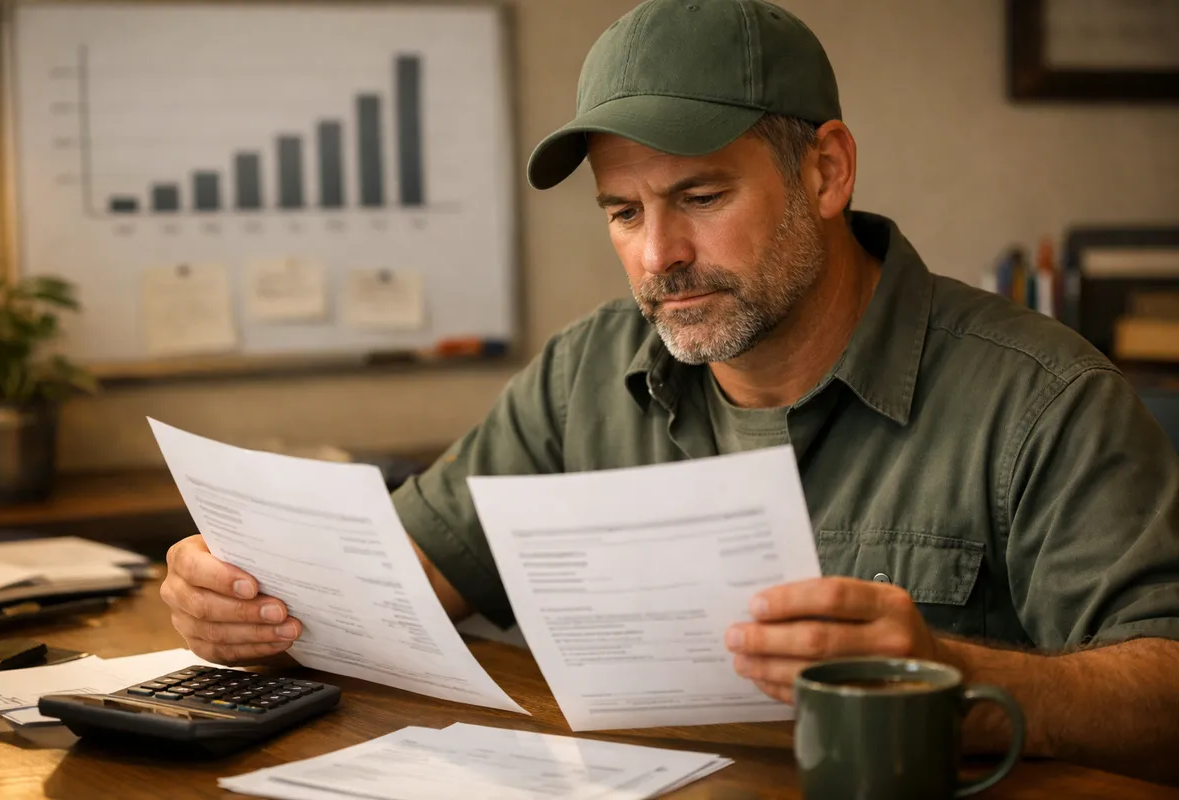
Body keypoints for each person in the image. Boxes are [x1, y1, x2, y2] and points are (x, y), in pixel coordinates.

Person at [160, 0, 1179, 784]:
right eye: (622, 212)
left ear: (826, 172)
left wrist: (955, 677)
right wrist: (247, 598)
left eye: (701, 196)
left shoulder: (1043, 397)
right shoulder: (582, 373)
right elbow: (408, 577)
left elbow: (1166, 692)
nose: (660, 257)